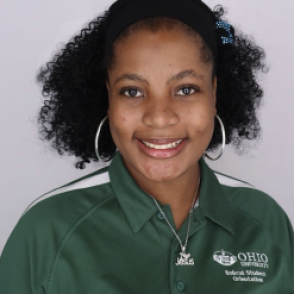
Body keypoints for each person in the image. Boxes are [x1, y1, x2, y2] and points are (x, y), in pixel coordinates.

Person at [0, 0, 293, 292]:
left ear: (214, 92)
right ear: (108, 98)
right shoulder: (46, 230)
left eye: (186, 89)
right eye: (132, 91)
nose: (160, 117)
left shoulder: (266, 220)